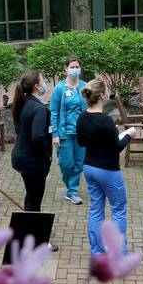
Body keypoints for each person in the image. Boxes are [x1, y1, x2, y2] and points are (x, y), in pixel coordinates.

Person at [76, 79, 136, 255]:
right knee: (118, 209)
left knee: (96, 208)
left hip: (89, 168)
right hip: (108, 170)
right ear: (102, 96)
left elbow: (81, 142)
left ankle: (96, 251)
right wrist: (128, 135)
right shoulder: (106, 120)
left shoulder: (82, 117)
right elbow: (116, 147)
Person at [11, 70, 53, 213]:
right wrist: (46, 155)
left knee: (31, 195)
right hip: (33, 161)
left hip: (22, 157)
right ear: (36, 85)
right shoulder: (39, 108)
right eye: (43, 81)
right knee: (35, 198)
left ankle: (29, 228)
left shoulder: (23, 103)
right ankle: (32, 232)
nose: (45, 84)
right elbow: (37, 137)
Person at [50, 56, 88, 205]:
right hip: (64, 133)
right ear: (65, 69)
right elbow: (53, 112)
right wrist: (55, 134)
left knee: (79, 163)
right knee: (66, 164)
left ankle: (72, 191)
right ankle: (69, 184)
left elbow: (90, 108)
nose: (74, 69)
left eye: (77, 66)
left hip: (81, 133)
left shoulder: (85, 87)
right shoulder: (59, 89)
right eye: (71, 67)